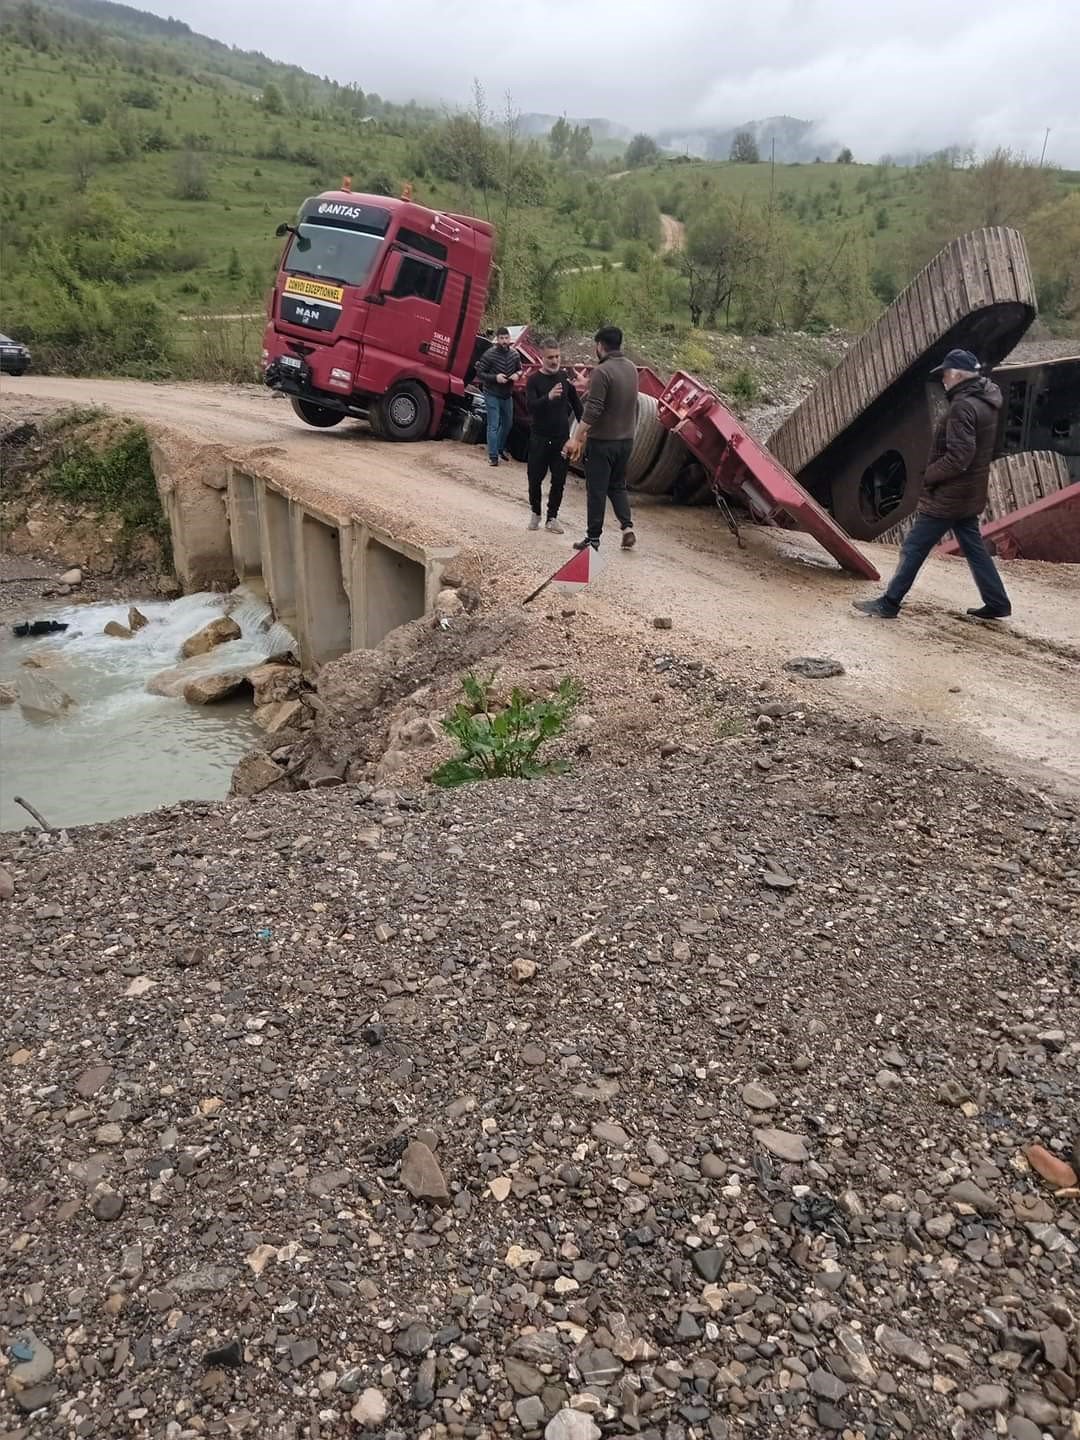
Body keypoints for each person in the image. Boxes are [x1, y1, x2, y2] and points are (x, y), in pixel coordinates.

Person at [854, 348, 1011, 621]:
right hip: (969, 493)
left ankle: (889, 603)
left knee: (913, 547)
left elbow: (959, 457)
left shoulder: (963, 406)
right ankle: (997, 602)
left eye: (946, 375)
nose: (943, 380)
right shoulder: (986, 401)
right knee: (974, 549)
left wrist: (930, 475)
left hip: (948, 496)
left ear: (958, 375)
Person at [563, 325, 638, 551]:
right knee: (617, 485)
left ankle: (593, 539)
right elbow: (617, 393)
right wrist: (588, 384)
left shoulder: (602, 372)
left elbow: (594, 409)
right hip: (626, 441)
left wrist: (577, 437)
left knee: (596, 489)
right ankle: (627, 528)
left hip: (603, 442)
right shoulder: (631, 369)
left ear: (599, 346)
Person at [524, 337, 583, 535]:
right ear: (542, 357)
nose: (554, 360)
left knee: (558, 481)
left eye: (557, 356)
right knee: (534, 478)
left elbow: (578, 406)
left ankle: (552, 518)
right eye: (550, 357)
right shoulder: (533, 380)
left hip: (561, 440)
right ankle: (535, 513)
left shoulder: (564, 378)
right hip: (539, 438)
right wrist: (547, 398)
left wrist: (579, 436)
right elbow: (530, 407)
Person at [474, 326, 522, 466]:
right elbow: (480, 373)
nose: (504, 341)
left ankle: (499, 448)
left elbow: (520, 369)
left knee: (508, 423)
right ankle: (493, 456)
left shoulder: (514, 355)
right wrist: (495, 377)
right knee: (493, 425)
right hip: (492, 393)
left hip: (507, 394)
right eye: (501, 338)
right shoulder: (489, 355)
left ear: (510, 339)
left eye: (506, 338)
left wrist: (517, 375)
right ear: (497, 340)